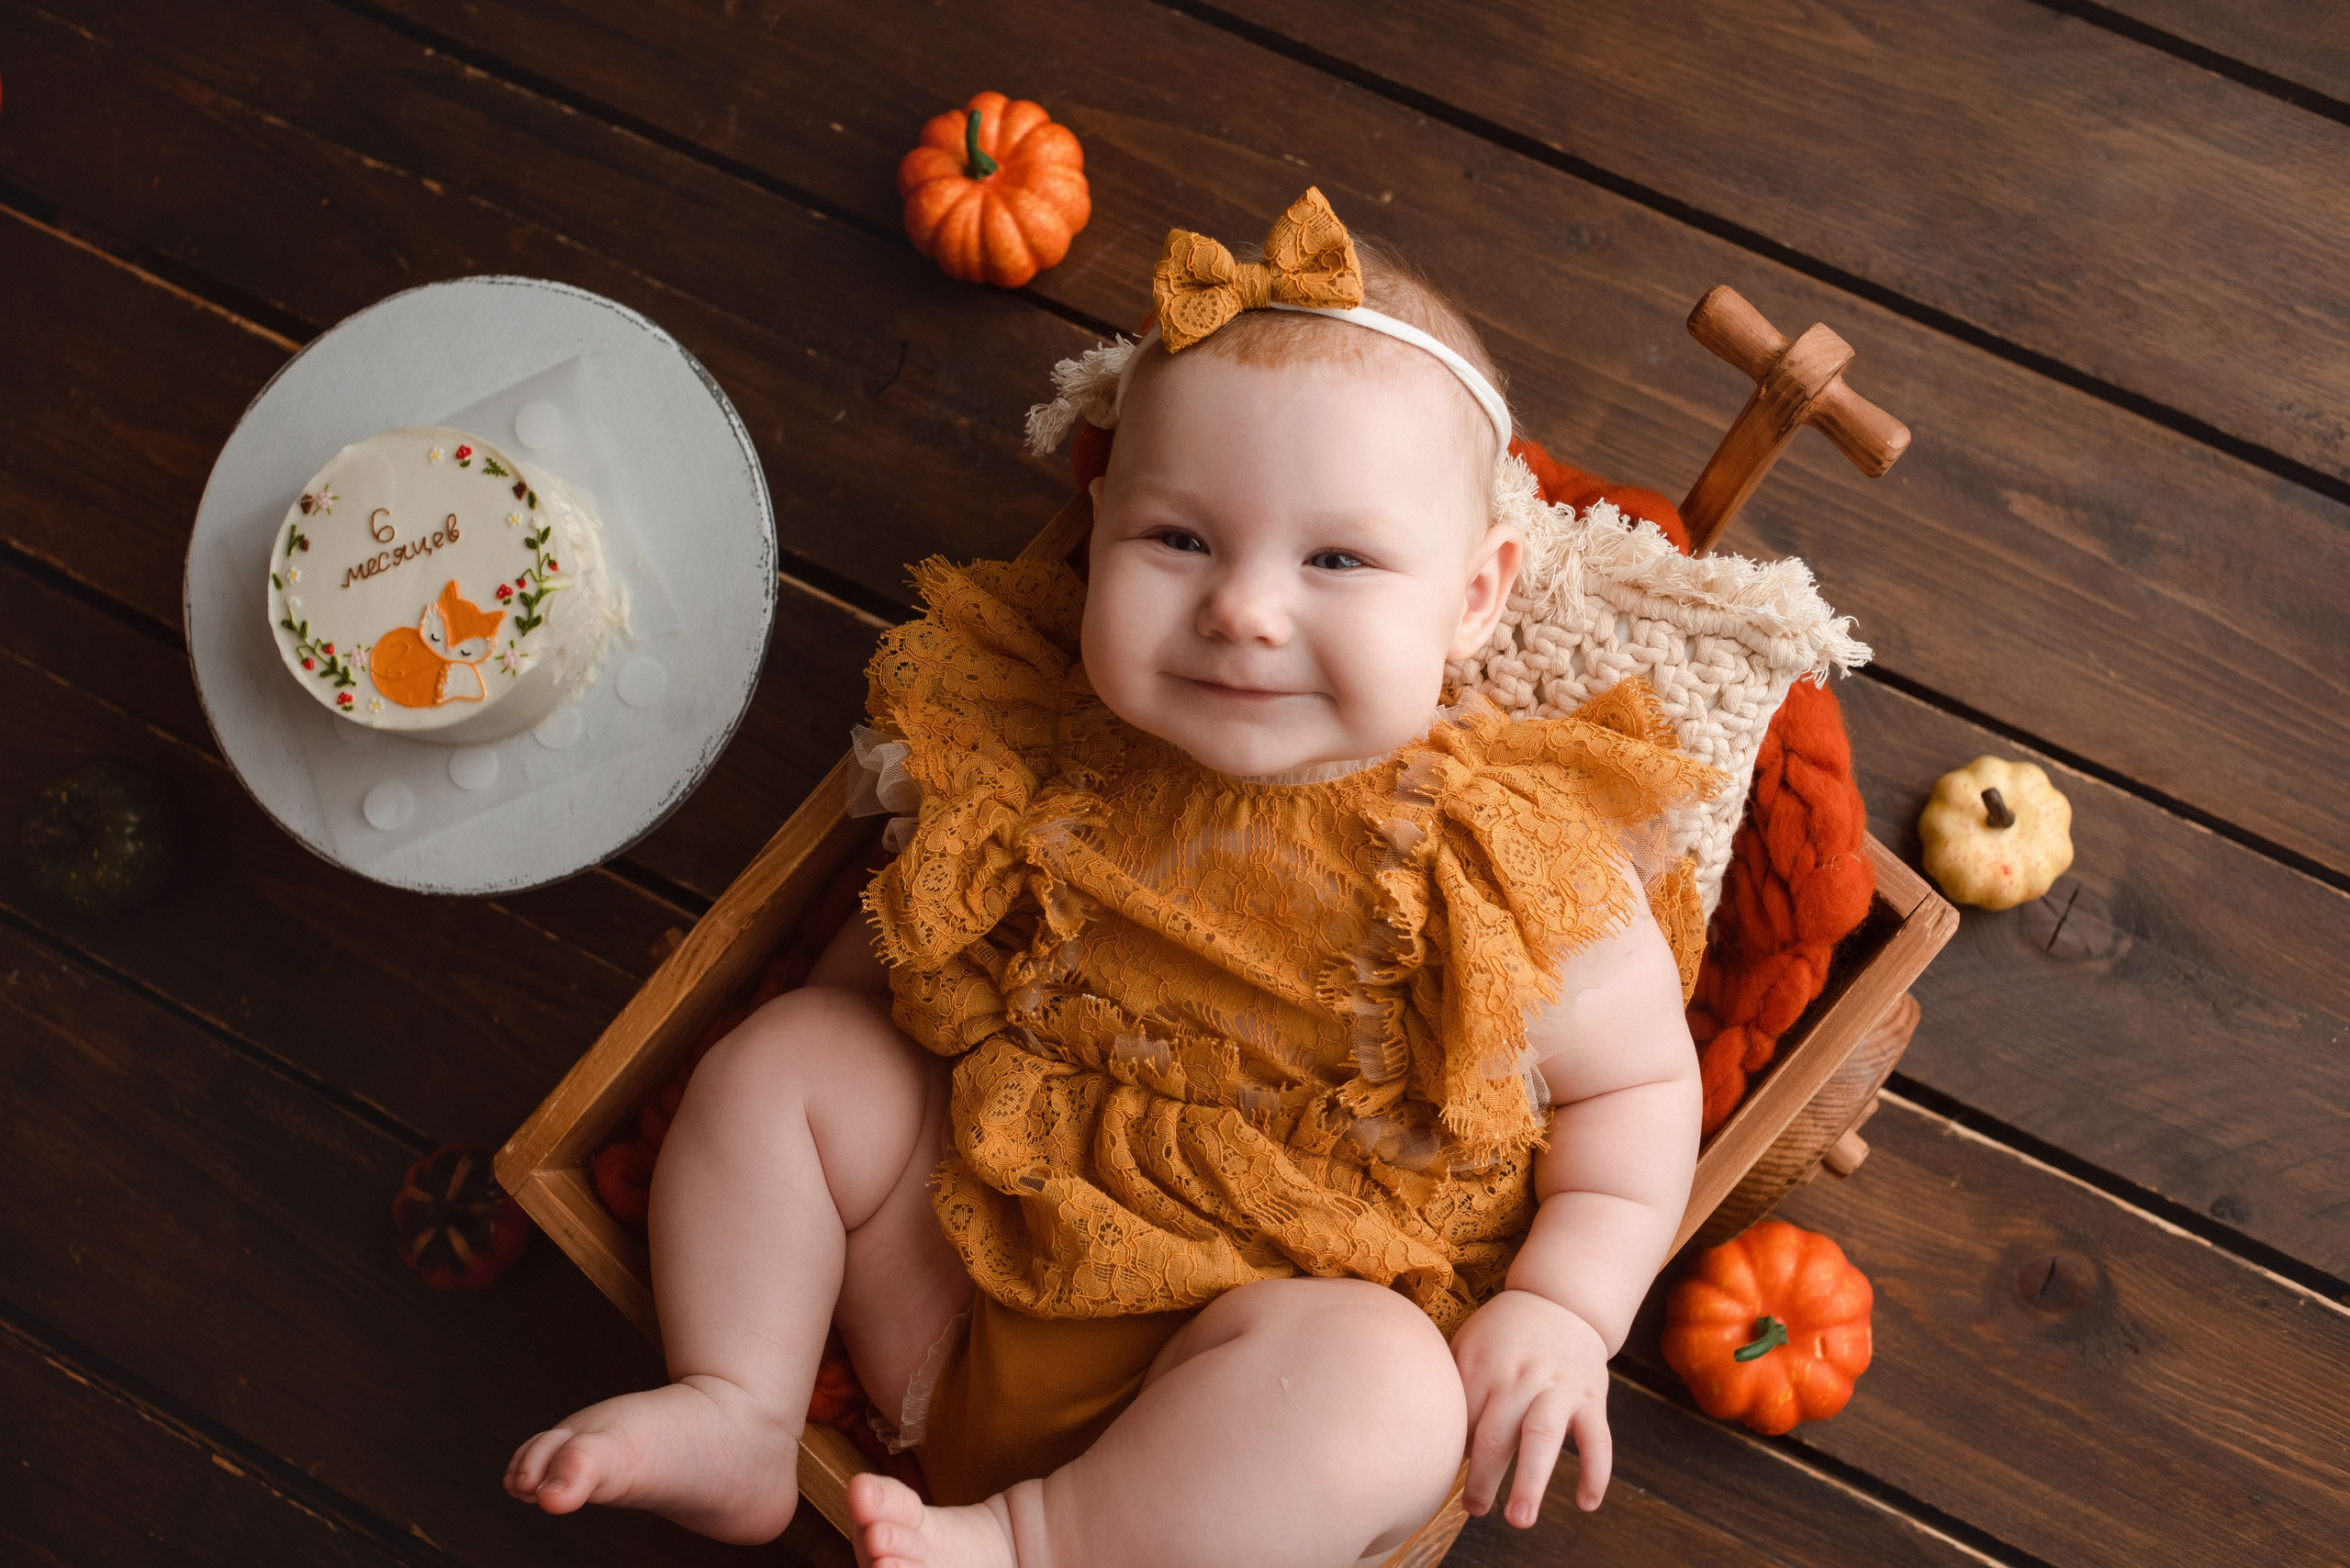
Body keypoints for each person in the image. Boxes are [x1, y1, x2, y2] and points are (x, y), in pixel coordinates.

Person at [503, 188, 1718, 1568]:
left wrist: (1565, 1310)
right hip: (960, 1282)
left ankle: (1036, 1545)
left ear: (1474, 596)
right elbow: (905, 950)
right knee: (792, 1058)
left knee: (1389, 1390)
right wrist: (850, 1055)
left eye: (1337, 560)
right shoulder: (1031, 742)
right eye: (1178, 540)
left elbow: (1638, 1089)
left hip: (1231, 1410)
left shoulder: (1502, 859)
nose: (1243, 608)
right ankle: (738, 1401)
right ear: (1098, 530)